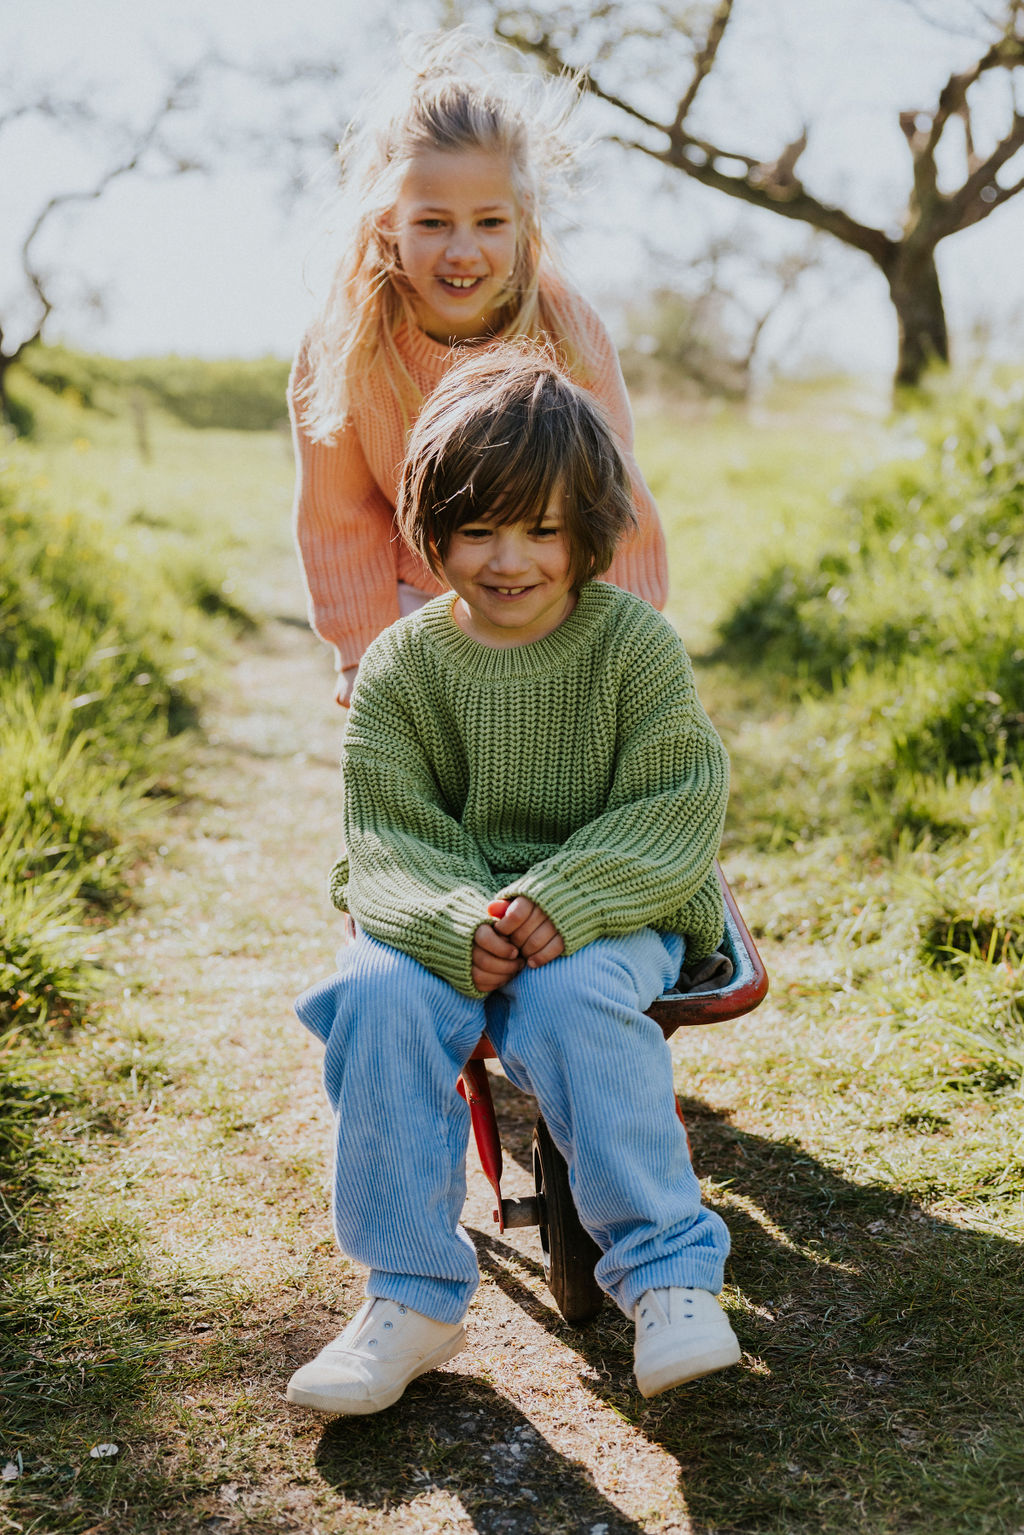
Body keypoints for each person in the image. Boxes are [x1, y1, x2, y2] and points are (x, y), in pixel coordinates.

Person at [286, 345, 739, 1417]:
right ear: (428, 529)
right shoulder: (403, 664)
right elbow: (387, 831)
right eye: (478, 527)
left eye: (542, 527)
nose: (509, 557)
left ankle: (667, 1269)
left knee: (574, 996)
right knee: (380, 995)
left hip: (614, 900)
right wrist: (450, 921)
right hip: (449, 905)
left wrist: (569, 896)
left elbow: (676, 801)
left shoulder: (632, 646)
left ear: (589, 531)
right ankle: (409, 1292)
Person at [289, 32, 668, 705]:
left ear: (524, 221)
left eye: (489, 222)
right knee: (428, 783)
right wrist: (362, 651)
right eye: (433, 223)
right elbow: (339, 513)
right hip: (419, 605)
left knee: (551, 781)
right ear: (387, 223)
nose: (463, 250)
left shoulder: (566, 330)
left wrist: (629, 639)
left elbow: (614, 498)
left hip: (550, 596)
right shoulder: (346, 345)